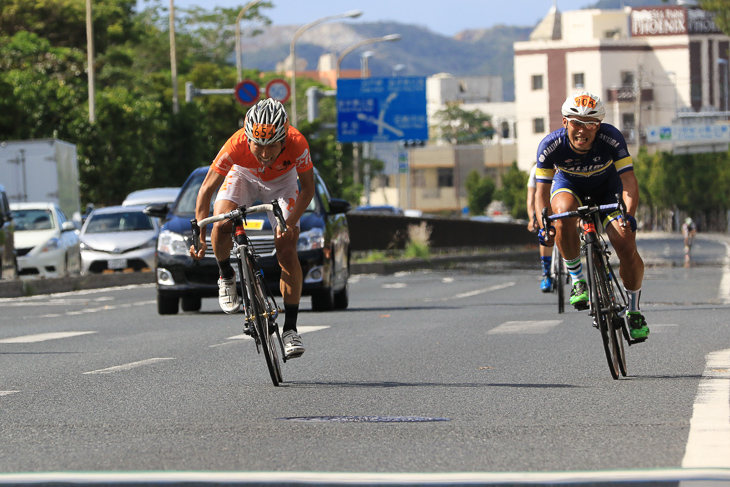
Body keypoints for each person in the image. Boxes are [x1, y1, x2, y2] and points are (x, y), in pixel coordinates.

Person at [189, 98, 315, 359]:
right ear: (248, 138)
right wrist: (199, 235)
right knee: (221, 220)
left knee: (287, 248)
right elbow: (205, 190)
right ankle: (226, 275)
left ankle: (290, 329)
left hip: (283, 182)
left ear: (284, 139)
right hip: (244, 175)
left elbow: (308, 189)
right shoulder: (236, 144)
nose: (265, 154)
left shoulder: (297, 143)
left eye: (272, 146)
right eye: (258, 145)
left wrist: (289, 224)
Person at [535, 91, 649, 340]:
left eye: (590, 124)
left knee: (625, 242)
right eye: (576, 123)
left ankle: (633, 309)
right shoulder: (550, 145)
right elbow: (541, 192)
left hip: (608, 190)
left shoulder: (611, 138)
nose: (582, 131)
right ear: (565, 122)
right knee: (562, 215)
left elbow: (629, 181)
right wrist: (545, 224)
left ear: (599, 126)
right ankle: (578, 279)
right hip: (569, 187)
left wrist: (628, 215)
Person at [526, 163, 554, 292]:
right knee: (545, 233)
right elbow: (531, 197)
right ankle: (547, 274)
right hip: (544, 205)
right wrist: (532, 219)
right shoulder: (535, 170)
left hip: (561, 203)